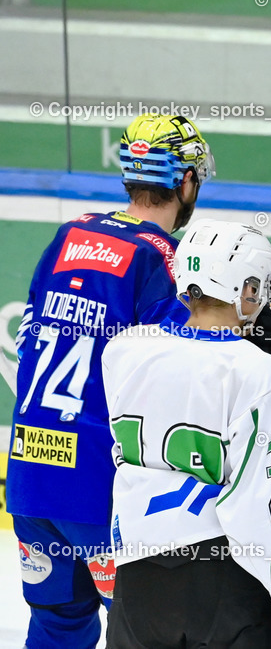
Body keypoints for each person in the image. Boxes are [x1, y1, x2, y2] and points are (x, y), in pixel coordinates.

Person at [102, 219, 271, 648]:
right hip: (222, 580)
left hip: (136, 577)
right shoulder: (262, 374)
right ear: (247, 290)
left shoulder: (125, 348)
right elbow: (256, 508)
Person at [6, 113, 210, 648]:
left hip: (31, 475)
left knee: (56, 627)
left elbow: (30, 337)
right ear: (185, 181)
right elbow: (176, 374)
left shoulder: (68, 235)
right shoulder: (162, 258)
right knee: (150, 636)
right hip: (101, 488)